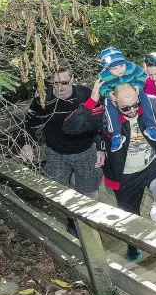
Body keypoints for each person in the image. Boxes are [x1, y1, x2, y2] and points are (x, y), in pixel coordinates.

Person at [63, 82, 156, 262]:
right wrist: (92, 100)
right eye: (125, 108)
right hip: (125, 176)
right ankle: (133, 248)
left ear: (139, 94)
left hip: (155, 166)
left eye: (136, 105)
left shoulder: (152, 104)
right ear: (114, 100)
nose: (132, 110)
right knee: (131, 215)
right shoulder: (104, 116)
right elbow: (70, 128)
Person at [19, 64, 103, 237]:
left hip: (85, 150)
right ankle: (71, 218)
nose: (60, 87)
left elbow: (99, 122)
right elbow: (29, 123)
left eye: (64, 82)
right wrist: (26, 143)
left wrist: (101, 148)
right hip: (56, 152)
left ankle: (85, 221)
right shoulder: (44, 99)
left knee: (89, 189)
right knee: (55, 189)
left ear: (72, 79)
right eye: (55, 83)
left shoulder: (85, 94)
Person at [98, 47, 156, 152]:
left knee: (145, 100)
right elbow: (101, 88)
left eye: (121, 66)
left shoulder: (131, 67)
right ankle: (116, 135)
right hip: (116, 95)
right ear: (107, 68)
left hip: (133, 91)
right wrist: (108, 93)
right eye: (114, 69)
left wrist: (138, 85)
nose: (120, 70)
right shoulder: (104, 76)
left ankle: (151, 126)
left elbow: (142, 75)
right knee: (109, 106)